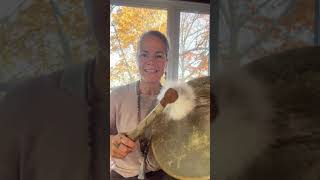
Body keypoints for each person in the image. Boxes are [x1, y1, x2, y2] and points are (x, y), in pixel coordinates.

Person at [110, 30, 173, 180]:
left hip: (163, 175)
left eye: (158, 55)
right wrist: (110, 144)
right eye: (144, 54)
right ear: (137, 59)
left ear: (166, 61)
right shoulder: (117, 95)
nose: (151, 61)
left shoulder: (175, 101)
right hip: (122, 175)